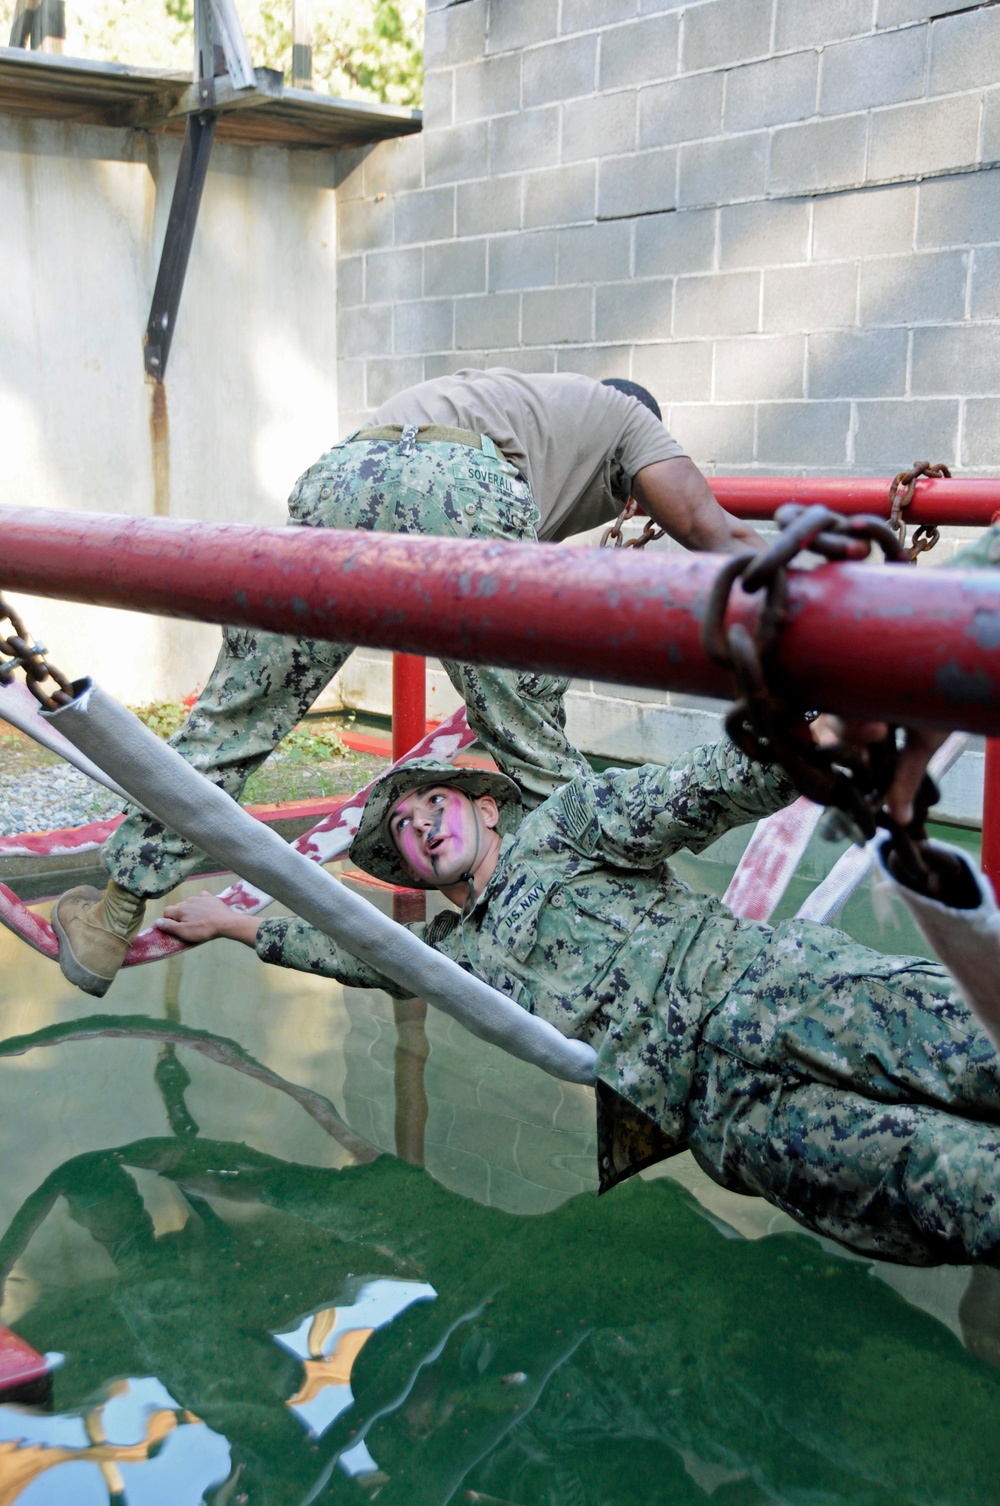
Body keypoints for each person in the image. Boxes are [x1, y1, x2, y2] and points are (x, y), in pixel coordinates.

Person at [158, 734, 1000, 1267]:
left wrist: (801, 746)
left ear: (487, 808)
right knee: (950, 1185)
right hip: (719, 1108)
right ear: (413, 874)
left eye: (432, 806)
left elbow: (684, 795)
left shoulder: (564, 829)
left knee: (981, 1049)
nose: (421, 829)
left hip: (774, 987)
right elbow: (352, 948)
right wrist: (234, 927)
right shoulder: (457, 960)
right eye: (406, 836)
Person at [52, 369, 763, 998]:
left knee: (234, 722)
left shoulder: (524, 403)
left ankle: (110, 921)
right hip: (462, 490)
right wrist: (850, 592)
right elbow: (710, 527)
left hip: (344, 480)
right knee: (531, 742)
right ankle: (611, 928)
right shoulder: (628, 418)